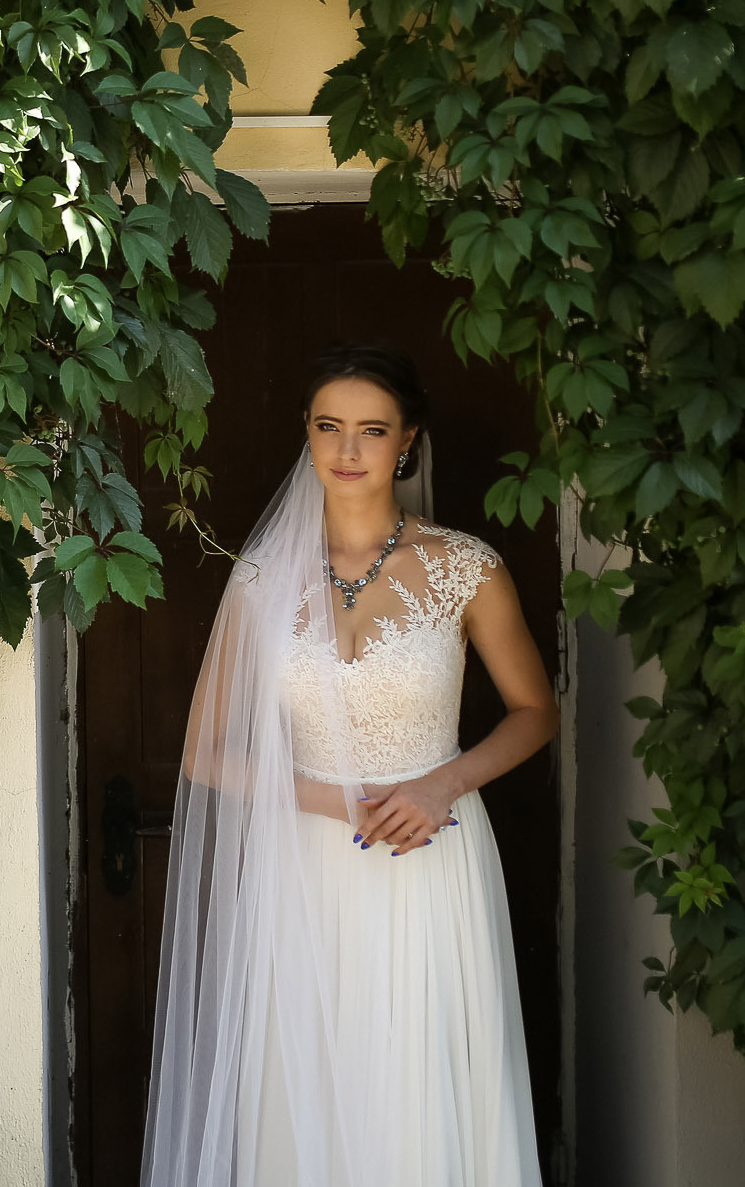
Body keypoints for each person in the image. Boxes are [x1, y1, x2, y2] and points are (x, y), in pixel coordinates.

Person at [141, 342, 559, 1187]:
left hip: (431, 854)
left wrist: (445, 780)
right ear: (307, 432)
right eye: (330, 427)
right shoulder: (261, 579)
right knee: (306, 1091)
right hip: (304, 867)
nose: (348, 451)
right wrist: (333, 801)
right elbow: (205, 749)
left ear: (407, 442)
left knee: (422, 1075)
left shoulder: (465, 569)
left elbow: (537, 713)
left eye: (372, 431)